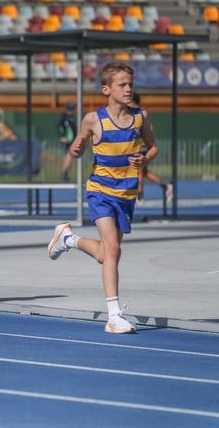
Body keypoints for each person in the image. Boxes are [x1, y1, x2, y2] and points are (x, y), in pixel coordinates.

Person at [47, 61, 158, 334]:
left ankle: (68, 239)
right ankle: (114, 315)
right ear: (106, 89)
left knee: (105, 254)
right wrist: (75, 149)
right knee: (113, 250)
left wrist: (144, 157)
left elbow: (153, 148)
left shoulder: (141, 117)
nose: (128, 89)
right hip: (100, 191)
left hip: (126, 194)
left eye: (130, 84)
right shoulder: (92, 119)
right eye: (122, 85)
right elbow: (78, 149)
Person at [131, 93, 173, 204]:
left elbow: (147, 131)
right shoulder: (136, 113)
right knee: (144, 173)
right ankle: (166, 185)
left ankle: (139, 196)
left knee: (138, 173)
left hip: (141, 147)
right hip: (141, 147)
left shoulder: (140, 114)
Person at [57, 101, 77, 181]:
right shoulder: (64, 118)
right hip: (68, 140)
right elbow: (59, 127)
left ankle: (65, 172)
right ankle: (64, 173)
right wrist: (61, 136)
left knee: (71, 156)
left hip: (72, 139)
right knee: (69, 155)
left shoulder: (72, 117)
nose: (71, 111)